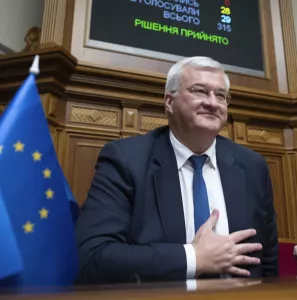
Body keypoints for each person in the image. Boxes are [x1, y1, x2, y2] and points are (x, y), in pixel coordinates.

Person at [75, 56, 279, 283]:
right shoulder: (126, 160)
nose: (212, 102)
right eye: (200, 91)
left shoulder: (252, 166)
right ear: (169, 102)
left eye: (220, 95)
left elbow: (267, 260)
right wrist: (194, 257)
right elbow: (92, 257)